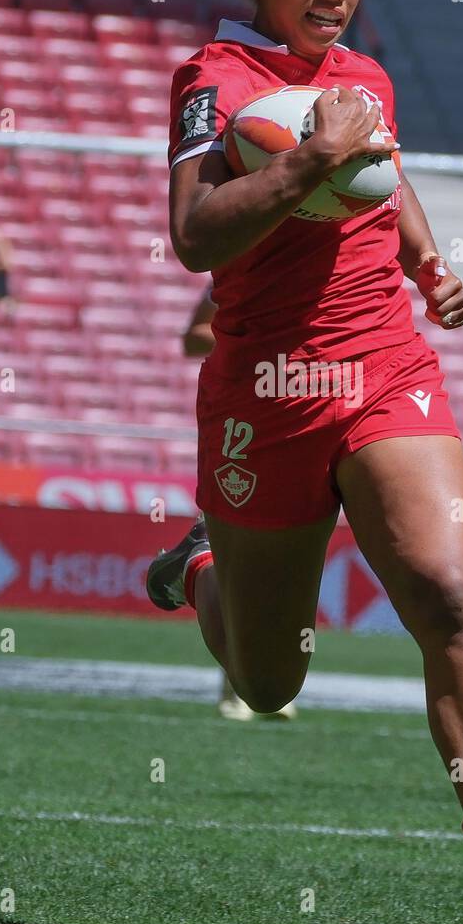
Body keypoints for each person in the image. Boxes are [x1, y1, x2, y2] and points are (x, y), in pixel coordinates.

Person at [145, 0, 463, 924]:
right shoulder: (210, 78)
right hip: (265, 391)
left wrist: (425, 260)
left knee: (444, 591)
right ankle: (202, 573)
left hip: (381, 368)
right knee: (270, 681)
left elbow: (387, 172)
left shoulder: (363, 77)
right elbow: (190, 235)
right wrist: (301, 164)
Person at [181, 282, 294, 720]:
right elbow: (192, 336)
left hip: (302, 422)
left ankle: (269, 681)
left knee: (287, 563)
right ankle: (237, 684)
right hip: (242, 423)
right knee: (240, 559)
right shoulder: (239, 268)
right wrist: (256, 340)